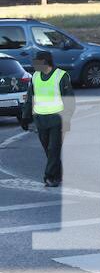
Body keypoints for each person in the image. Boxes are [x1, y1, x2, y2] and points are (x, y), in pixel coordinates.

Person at [20, 51, 75, 187]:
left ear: (45, 62)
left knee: (53, 149)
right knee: (48, 150)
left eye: (37, 61)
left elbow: (69, 101)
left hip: (57, 119)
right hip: (41, 119)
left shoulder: (61, 76)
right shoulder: (35, 77)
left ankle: (49, 177)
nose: (34, 64)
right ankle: (59, 174)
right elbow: (30, 98)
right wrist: (25, 117)